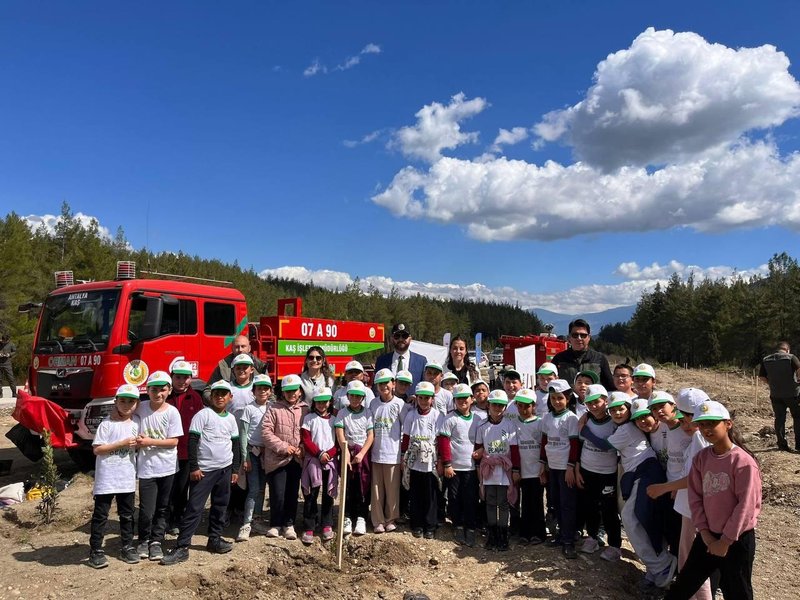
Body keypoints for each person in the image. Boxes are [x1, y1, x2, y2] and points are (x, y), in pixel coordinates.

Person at [665, 401, 762, 600]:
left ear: (728, 424)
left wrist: (725, 541)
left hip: (736, 540)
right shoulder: (701, 458)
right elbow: (696, 497)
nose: (706, 429)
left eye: (712, 424)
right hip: (708, 536)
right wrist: (707, 535)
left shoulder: (743, 462)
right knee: (683, 586)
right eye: (702, 425)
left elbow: (745, 507)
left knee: (737, 591)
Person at [582, 396, 675, 590]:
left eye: (621, 409)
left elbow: (605, 445)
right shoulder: (628, 428)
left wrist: (583, 430)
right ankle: (655, 568)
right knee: (643, 520)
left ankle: (662, 565)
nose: (617, 413)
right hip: (641, 474)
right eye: (613, 409)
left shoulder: (626, 429)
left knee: (631, 518)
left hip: (646, 473)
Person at [160, 380, 241, 565]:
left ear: (230, 397)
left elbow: (235, 444)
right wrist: (194, 467)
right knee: (194, 507)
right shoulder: (203, 415)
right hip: (204, 471)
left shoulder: (230, 419)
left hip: (225, 469)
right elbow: (192, 442)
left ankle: (215, 539)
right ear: (211, 396)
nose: (220, 397)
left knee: (220, 505)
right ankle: (182, 547)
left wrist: (235, 469)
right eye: (216, 394)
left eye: (224, 394)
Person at [647, 388, 714, 600]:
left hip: (694, 508)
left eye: (685, 419)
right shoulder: (697, 438)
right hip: (687, 506)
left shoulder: (699, 440)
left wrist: (665, 488)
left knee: (694, 562)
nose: (683, 424)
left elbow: (695, 478)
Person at [87, 384, 140, 569]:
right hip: (107, 479)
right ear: (116, 402)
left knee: (127, 515)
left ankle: (127, 546)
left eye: (131, 401)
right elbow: (98, 449)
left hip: (126, 478)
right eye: (123, 401)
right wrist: (122, 443)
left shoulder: (136, 423)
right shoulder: (106, 424)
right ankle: (95, 551)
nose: (126, 405)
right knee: (100, 515)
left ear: (137, 404)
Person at [134, 371, 183, 562]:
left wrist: (148, 442)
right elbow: (125, 412)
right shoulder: (140, 407)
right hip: (146, 468)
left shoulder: (172, 412)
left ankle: (156, 541)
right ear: (147, 390)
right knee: (147, 509)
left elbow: (173, 442)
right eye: (154, 389)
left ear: (169, 390)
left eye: (163, 390)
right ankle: (143, 539)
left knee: (163, 507)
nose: (158, 394)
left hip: (168, 467)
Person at [576, 384, 622, 560]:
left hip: (607, 472)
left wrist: (585, 431)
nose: (593, 406)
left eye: (597, 402)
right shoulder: (585, 419)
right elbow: (580, 444)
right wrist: (578, 467)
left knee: (609, 510)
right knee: (590, 506)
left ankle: (615, 545)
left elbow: (607, 445)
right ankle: (592, 537)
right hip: (588, 470)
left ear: (605, 401)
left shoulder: (613, 422)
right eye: (589, 403)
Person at [261, 374, 308, 540]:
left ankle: (289, 524)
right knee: (277, 493)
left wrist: (302, 447)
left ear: (300, 391)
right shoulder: (274, 409)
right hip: (277, 459)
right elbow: (266, 432)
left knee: (291, 493)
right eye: (288, 391)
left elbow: (307, 433)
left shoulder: (305, 409)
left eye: (294, 390)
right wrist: (283, 447)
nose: (291, 394)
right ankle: (275, 524)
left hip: (296, 460)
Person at [539, 379, 580, 558]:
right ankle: (560, 535)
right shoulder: (547, 418)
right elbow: (544, 442)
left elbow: (574, 444)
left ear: (568, 398)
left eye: (560, 398)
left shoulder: (571, 418)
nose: (557, 401)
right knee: (554, 501)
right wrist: (542, 464)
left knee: (567, 504)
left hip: (565, 468)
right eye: (553, 398)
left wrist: (571, 467)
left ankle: (568, 539)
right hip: (552, 467)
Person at [474, 389, 518, 551]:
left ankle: (503, 534)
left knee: (503, 502)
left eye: (501, 406)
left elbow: (514, 449)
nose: (497, 409)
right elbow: (479, 448)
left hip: (504, 468)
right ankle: (492, 534)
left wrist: (515, 470)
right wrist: (479, 467)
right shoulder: (482, 426)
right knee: (490, 501)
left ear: (505, 407)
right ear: (489, 406)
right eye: (494, 405)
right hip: (489, 469)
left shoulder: (510, 425)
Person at [438, 383, 481, 547]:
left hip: (471, 467)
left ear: (471, 399)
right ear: (454, 400)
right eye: (459, 399)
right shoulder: (450, 419)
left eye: (465, 398)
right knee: (455, 498)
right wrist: (447, 464)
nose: (462, 401)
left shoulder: (477, 419)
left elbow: (480, 440)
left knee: (470, 498)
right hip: (454, 468)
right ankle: (458, 525)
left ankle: (470, 527)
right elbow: (443, 442)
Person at [166, 359, 204, 535]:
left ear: (191, 379)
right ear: (172, 378)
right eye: (178, 377)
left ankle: (178, 518)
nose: (182, 381)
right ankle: (165, 518)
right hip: (166, 450)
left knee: (182, 487)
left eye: (185, 378)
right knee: (167, 486)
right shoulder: (165, 396)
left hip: (186, 452)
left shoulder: (195, 398)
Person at [401, 381, 444, 539]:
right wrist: (403, 457)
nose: (424, 401)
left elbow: (440, 439)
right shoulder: (411, 415)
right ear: (416, 398)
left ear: (432, 399)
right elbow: (406, 437)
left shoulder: (437, 416)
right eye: (421, 398)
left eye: (427, 398)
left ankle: (430, 525)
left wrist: (440, 460)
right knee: (416, 494)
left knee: (431, 495)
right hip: (414, 460)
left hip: (430, 461)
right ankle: (417, 524)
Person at [236, 374, 273, 541]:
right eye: (259, 388)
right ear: (254, 391)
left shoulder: (272, 408)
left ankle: (257, 519)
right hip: (253, 453)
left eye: (266, 388)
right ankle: (246, 523)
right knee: (253, 488)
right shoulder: (249, 409)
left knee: (262, 489)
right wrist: (245, 457)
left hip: (268, 453)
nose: (262, 391)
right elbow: (243, 434)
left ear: (270, 391)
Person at [335, 379, 374, 537]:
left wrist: (361, 453)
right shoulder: (342, 413)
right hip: (348, 453)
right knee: (348, 487)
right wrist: (345, 454)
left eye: (359, 396)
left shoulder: (367, 413)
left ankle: (361, 517)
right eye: (353, 396)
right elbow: (340, 433)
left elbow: (370, 435)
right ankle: (347, 517)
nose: (355, 399)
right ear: (348, 396)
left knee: (363, 486)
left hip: (362, 455)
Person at [300, 387, 339, 545]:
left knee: (328, 494)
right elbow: (306, 440)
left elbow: (338, 442)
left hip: (329, 461)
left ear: (329, 402)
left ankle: (327, 524)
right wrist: (319, 454)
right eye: (319, 401)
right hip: (313, 461)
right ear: (314, 402)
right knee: (311, 494)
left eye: (325, 401)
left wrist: (329, 454)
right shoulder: (309, 418)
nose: (322, 404)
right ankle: (309, 525)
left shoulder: (335, 420)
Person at [369, 368, 405, 534]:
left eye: (387, 383)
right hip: (376, 453)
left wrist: (403, 453)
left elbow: (405, 429)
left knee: (392, 489)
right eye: (380, 383)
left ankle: (391, 518)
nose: (384, 386)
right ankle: (378, 520)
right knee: (376, 489)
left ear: (393, 384)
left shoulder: (399, 404)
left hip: (393, 453)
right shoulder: (373, 404)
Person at [513, 388, 546, 545]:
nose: (523, 409)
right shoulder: (514, 424)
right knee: (524, 503)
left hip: (536, 471)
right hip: (522, 471)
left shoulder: (540, 423)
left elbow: (543, 446)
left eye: (527, 406)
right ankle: (524, 533)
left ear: (534, 406)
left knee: (537, 502)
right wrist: (515, 469)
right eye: (520, 406)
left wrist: (542, 466)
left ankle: (538, 533)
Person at [759, 341, 800, 453]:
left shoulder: (766, 359)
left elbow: (762, 377)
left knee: (780, 419)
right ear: (787, 349)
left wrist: (772, 384)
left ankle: (782, 445)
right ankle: (799, 446)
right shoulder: (791, 358)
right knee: (797, 417)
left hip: (776, 394)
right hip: (793, 394)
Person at [551, 319, 614, 391]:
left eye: (583, 335)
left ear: (589, 337)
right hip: (568, 401)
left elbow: (610, 386)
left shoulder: (599, 358)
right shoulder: (559, 359)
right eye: (575, 335)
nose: (579, 338)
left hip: (592, 401)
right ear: (569, 338)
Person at [203, 335, 266, 402]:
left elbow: (269, 393)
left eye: (243, 346)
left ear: (249, 348)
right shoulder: (223, 367)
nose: (240, 350)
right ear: (232, 348)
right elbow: (208, 391)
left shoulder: (260, 367)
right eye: (237, 347)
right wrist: (217, 403)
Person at [0, 332, 16, 398]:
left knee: (11, 379)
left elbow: (14, 351)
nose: (4, 342)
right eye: (3, 341)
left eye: (5, 341)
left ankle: (14, 393)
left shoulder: (11, 344)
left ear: (8, 340)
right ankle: (0, 394)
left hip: (7, 364)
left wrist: (9, 354)